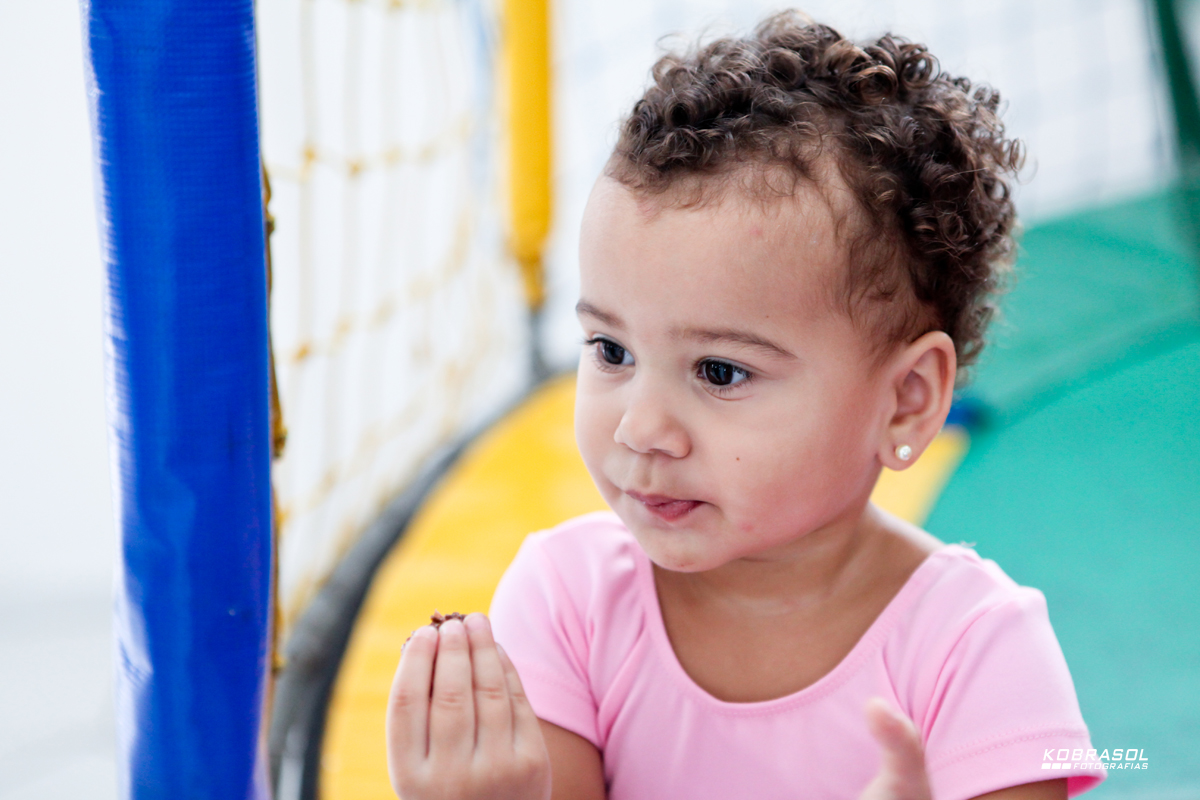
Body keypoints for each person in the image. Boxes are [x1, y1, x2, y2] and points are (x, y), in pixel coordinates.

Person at [385, 12, 1105, 800]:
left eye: (721, 372)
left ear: (906, 401)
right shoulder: (567, 602)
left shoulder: (974, 648)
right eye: (611, 351)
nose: (640, 428)